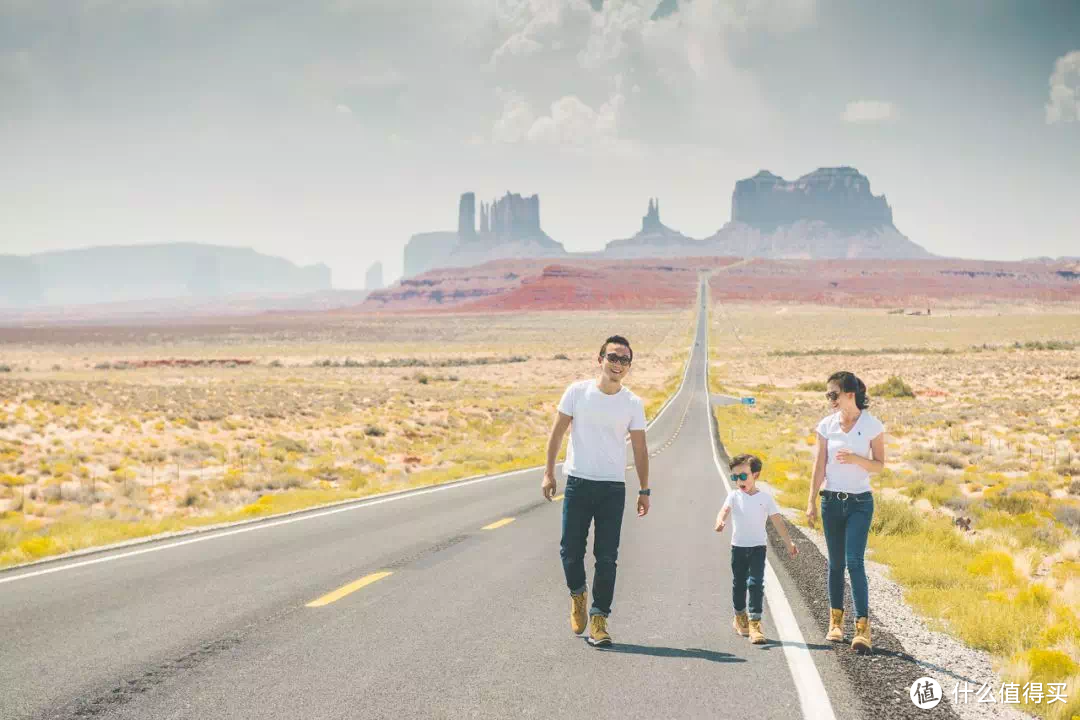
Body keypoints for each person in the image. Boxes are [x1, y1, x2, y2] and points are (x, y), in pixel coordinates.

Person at [542, 335, 650, 648]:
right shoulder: (577, 392)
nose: (618, 364)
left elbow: (641, 449)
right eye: (613, 357)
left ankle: (599, 619)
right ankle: (578, 593)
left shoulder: (632, 403)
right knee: (570, 550)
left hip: (612, 488)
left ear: (629, 366)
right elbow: (557, 434)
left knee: (606, 558)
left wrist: (645, 489)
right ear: (599, 359)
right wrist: (549, 473)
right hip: (578, 482)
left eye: (624, 360)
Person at [805, 371, 886, 653]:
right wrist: (811, 501)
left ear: (849, 394)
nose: (830, 400)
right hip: (831, 501)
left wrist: (855, 459)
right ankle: (835, 623)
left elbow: (879, 465)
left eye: (833, 395)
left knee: (855, 561)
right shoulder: (827, 426)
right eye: (828, 395)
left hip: (860, 503)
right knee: (836, 563)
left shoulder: (872, 425)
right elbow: (819, 465)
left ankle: (862, 627)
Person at [715, 453, 798, 644]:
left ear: (756, 475)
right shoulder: (734, 496)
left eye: (743, 476)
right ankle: (739, 616)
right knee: (739, 583)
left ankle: (755, 622)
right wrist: (720, 521)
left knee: (756, 583)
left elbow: (777, 521)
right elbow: (724, 511)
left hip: (758, 548)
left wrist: (788, 542)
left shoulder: (765, 498)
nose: (739, 481)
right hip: (738, 547)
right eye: (735, 477)